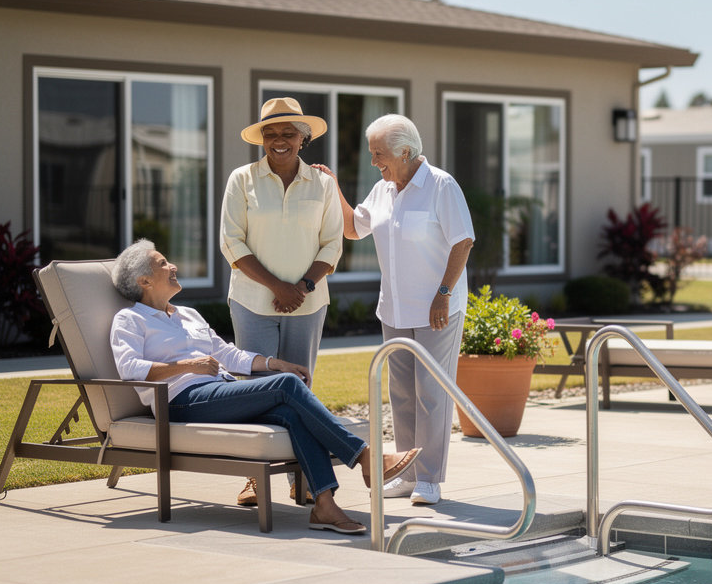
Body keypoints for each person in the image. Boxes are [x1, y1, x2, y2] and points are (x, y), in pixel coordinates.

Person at [108, 240, 418, 536]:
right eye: (163, 263)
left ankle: (325, 505)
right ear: (144, 281)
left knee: (290, 413)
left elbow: (228, 354)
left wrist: (277, 364)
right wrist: (189, 366)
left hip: (217, 391)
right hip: (180, 401)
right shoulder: (129, 319)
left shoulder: (188, 315)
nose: (173, 266)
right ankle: (366, 457)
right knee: (286, 386)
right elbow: (129, 368)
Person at [333, 114, 474, 507]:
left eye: (379, 154)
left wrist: (443, 293)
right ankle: (407, 472)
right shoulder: (382, 190)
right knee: (402, 395)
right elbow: (353, 228)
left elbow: (463, 241)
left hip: (436, 310)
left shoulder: (441, 186)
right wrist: (332, 187)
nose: (374, 162)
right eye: (372, 154)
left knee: (432, 394)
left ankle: (428, 478)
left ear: (406, 152)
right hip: (394, 310)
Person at [220, 96, 341, 508]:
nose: (279, 140)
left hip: (308, 303)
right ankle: (253, 479)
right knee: (254, 390)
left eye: (288, 132)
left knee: (300, 391)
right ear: (261, 139)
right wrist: (277, 287)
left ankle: (300, 478)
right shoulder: (242, 179)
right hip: (251, 301)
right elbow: (231, 242)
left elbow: (332, 244)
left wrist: (301, 287)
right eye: (270, 133)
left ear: (303, 138)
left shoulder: (323, 184)